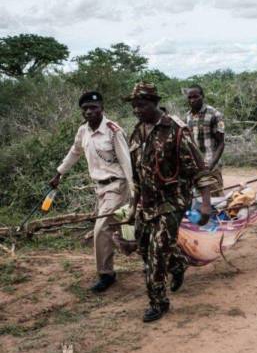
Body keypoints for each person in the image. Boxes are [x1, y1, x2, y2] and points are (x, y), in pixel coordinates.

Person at [125, 81, 214, 322]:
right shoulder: (137, 131)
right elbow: (136, 174)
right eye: (134, 106)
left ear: (154, 103)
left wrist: (205, 204)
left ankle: (158, 302)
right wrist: (133, 207)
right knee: (144, 247)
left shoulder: (175, 130)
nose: (137, 110)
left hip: (172, 202)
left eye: (141, 105)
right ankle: (179, 263)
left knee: (156, 253)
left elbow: (199, 169)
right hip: (147, 201)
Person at [49, 91, 134, 293]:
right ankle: (143, 253)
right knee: (118, 229)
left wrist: (134, 191)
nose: (89, 111)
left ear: (102, 109)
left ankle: (106, 274)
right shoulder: (83, 131)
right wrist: (59, 173)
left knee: (101, 229)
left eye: (93, 108)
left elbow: (126, 161)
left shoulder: (113, 131)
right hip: (99, 188)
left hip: (117, 185)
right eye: (85, 108)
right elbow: (74, 152)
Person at [185, 85, 225, 196]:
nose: (192, 100)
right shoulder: (188, 116)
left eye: (195, 97)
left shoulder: (214, 114)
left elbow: (221, 143)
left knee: (216, 202)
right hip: (195, 167)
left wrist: (211, 165)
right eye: (190, 97)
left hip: (210, 166)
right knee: (198, 201)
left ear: (202, 96)